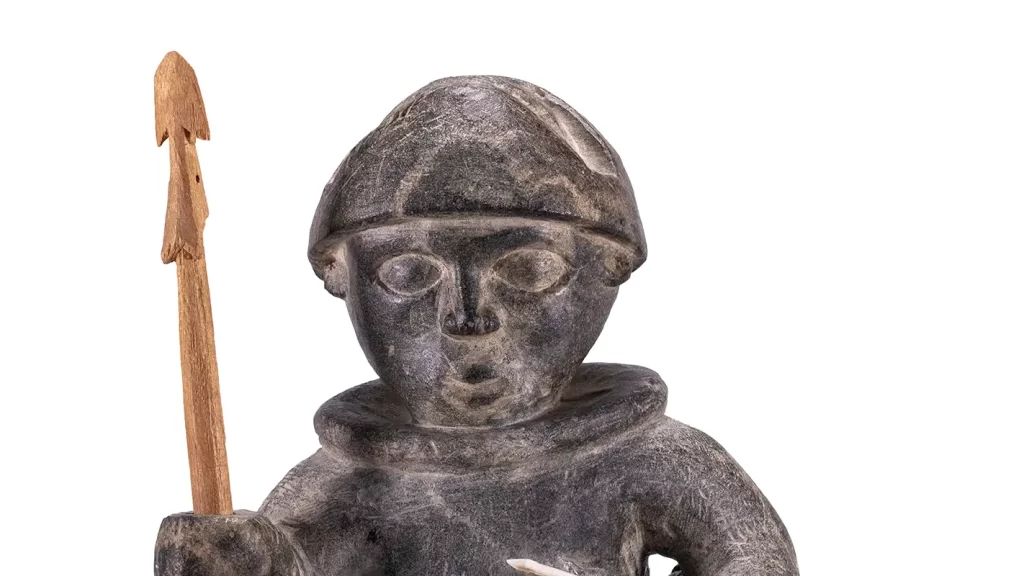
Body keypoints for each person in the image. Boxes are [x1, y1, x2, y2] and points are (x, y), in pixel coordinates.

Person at [155, 76, 798, 576]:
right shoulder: (339, 486)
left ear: (607, 270)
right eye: (410, 274)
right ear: (344, 278)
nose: (467, 317)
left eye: (528, 270)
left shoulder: (653, 461)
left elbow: (755, 561)